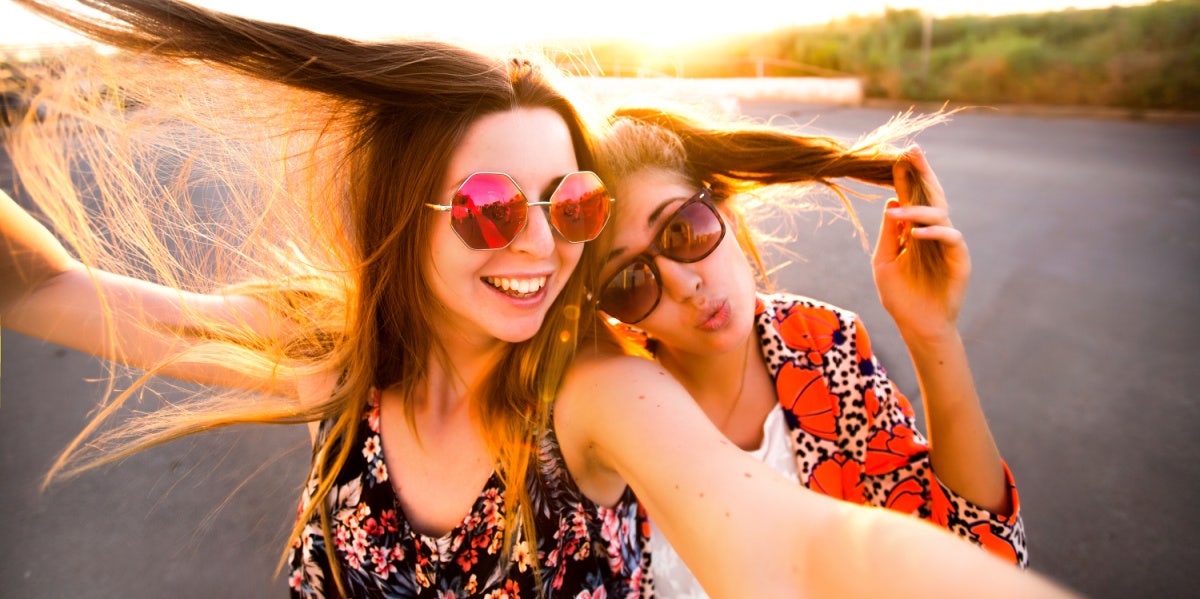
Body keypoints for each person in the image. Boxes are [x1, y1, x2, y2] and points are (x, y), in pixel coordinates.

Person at [2, 1, 1078, 598]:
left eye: (564, 205)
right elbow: (51, 285)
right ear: (404, 215)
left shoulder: (595, 392)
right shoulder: (340, 354)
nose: (533, 246)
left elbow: (803, 547)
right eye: (482, 207)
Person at [584, 107, 1026, 597]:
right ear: (612, 311)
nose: (685, 285)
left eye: (682, 230)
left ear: (726, 213)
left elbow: (983, 557)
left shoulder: (823, 347)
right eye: (629, 281)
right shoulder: (605, 408)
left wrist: (933, 334)